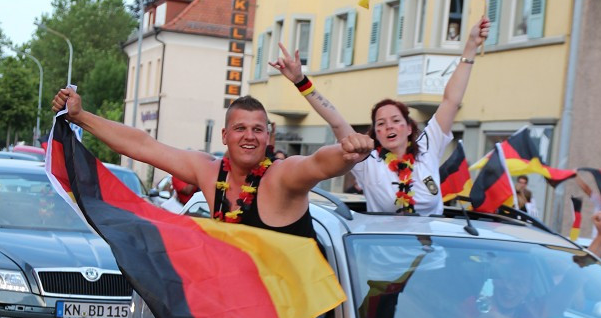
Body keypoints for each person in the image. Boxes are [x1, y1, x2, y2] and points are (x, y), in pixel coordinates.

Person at [50, 89, 373, 238]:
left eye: (258, 129)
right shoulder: (208, 170)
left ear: (268, 137)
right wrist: (80, 117)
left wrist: (347, 153)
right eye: (240, 128)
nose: (249, 137)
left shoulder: (281, 177)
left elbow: (317, 163)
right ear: (224, 135)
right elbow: (142, 144)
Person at [269, 16, 490, 216]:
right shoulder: (368, 160)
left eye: (396, 121)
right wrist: (301, 81)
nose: (389, 127)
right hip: (383, 256)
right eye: (381, 124)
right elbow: (336, 121)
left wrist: (470, 47)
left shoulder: (428, 148)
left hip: (432, 255)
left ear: (409, 127)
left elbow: (451, 101)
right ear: (376, 133)